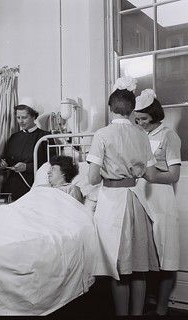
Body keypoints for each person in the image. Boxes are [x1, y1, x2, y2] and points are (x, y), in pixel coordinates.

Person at [87, 77, 159, 316]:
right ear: (131, 110)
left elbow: (92, 178)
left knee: (119, 266)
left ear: (110, 108)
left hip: (113, 202)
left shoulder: (102, 134)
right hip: (136, 200)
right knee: (138, 266)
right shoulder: (141, 135)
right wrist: (134, 170)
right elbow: (149, 173)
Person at [134, 89, 181, 316]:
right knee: (145, 253)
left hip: (161, 197)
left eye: (144, 118)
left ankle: (162, 308)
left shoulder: (168, 136)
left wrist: (150, 176)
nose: (141, 123)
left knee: (166, 253)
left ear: (154, 115)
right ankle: (144, 304)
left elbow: (174, 175)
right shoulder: (139, 136)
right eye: (138, 119)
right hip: (141, 195)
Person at [2, 97, 54, 200]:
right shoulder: (14, 137)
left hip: (34, 187)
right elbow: (6, 159)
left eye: (24, 117)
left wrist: (27, 167)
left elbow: (51, 165)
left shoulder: (45, 137)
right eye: (18, 118)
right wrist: (3, 163)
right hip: (12, 188)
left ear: (34, 116)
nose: (20, 121)